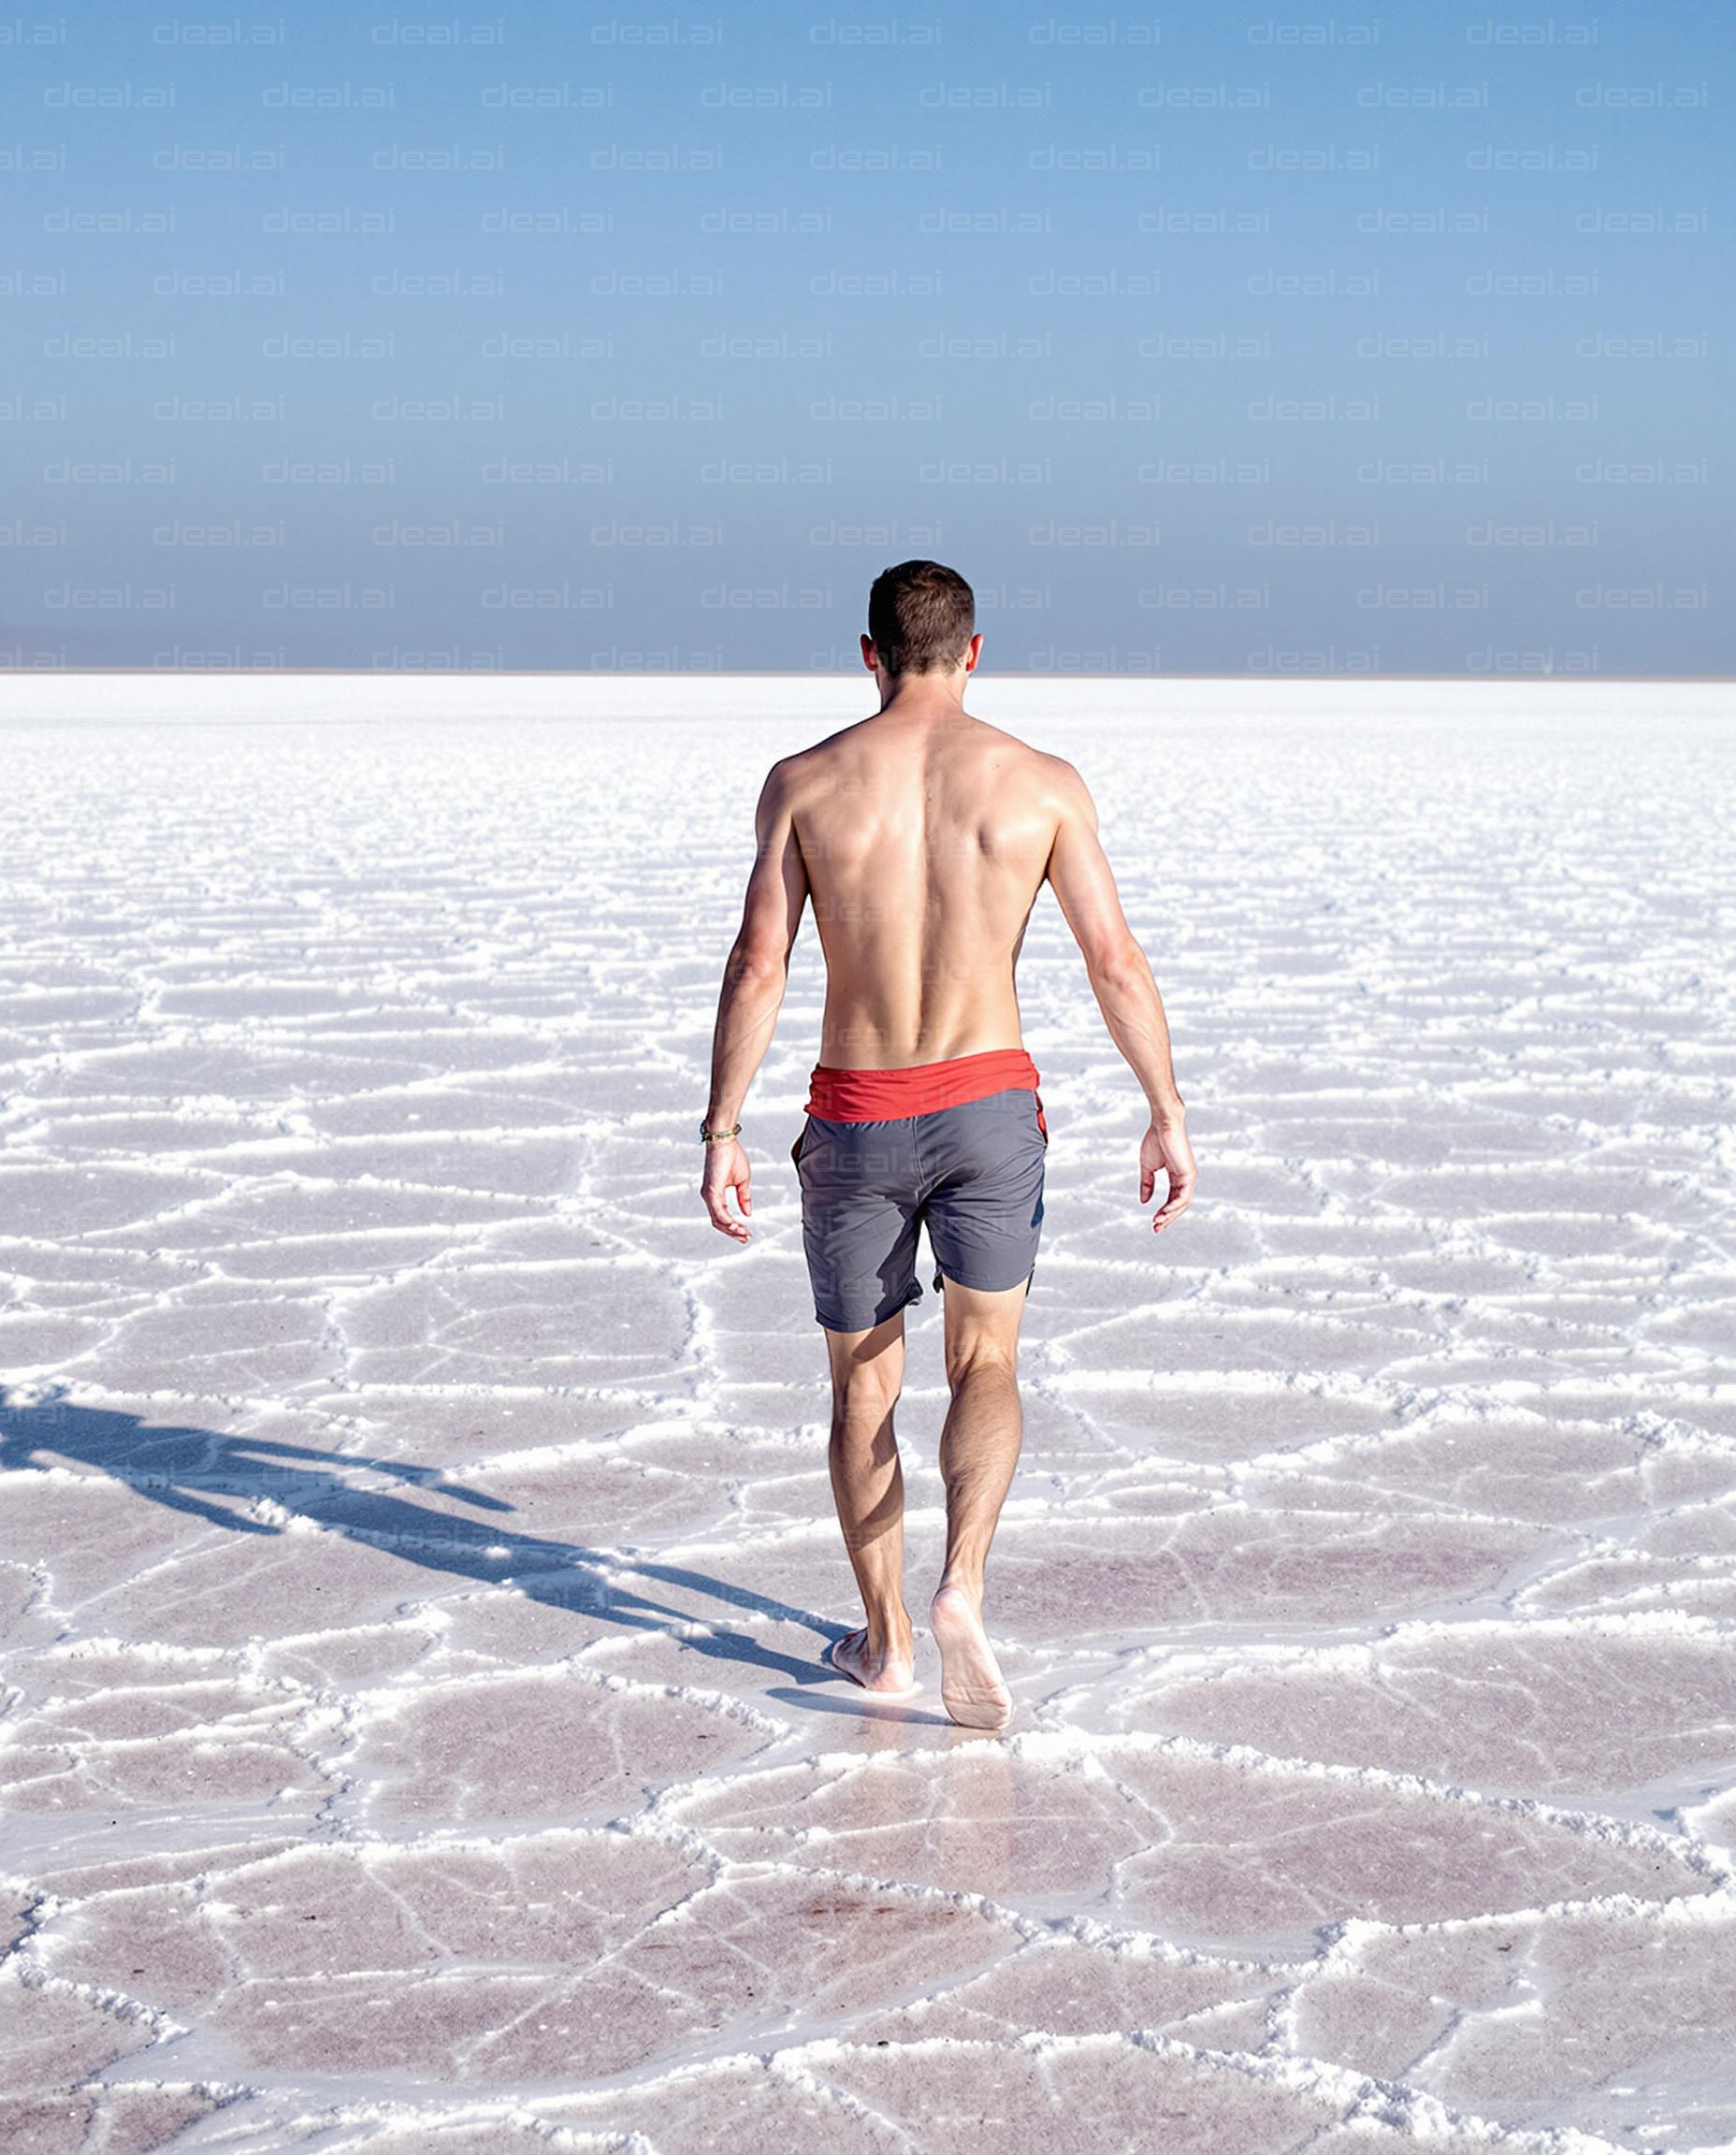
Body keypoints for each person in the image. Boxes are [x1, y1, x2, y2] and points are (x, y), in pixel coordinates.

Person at [700, 560, 1194, 1732]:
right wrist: (1164, 1107)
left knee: (862, 1389)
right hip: (987, 1110)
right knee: (986, 1366)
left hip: (858, 1111)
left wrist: (722, 1125)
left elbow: (759, 966)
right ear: (974, 652)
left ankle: (886, 1647)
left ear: (866, 652)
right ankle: (961, 1585)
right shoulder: (1041, 785)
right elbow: (1113, 960)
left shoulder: (804, 784)